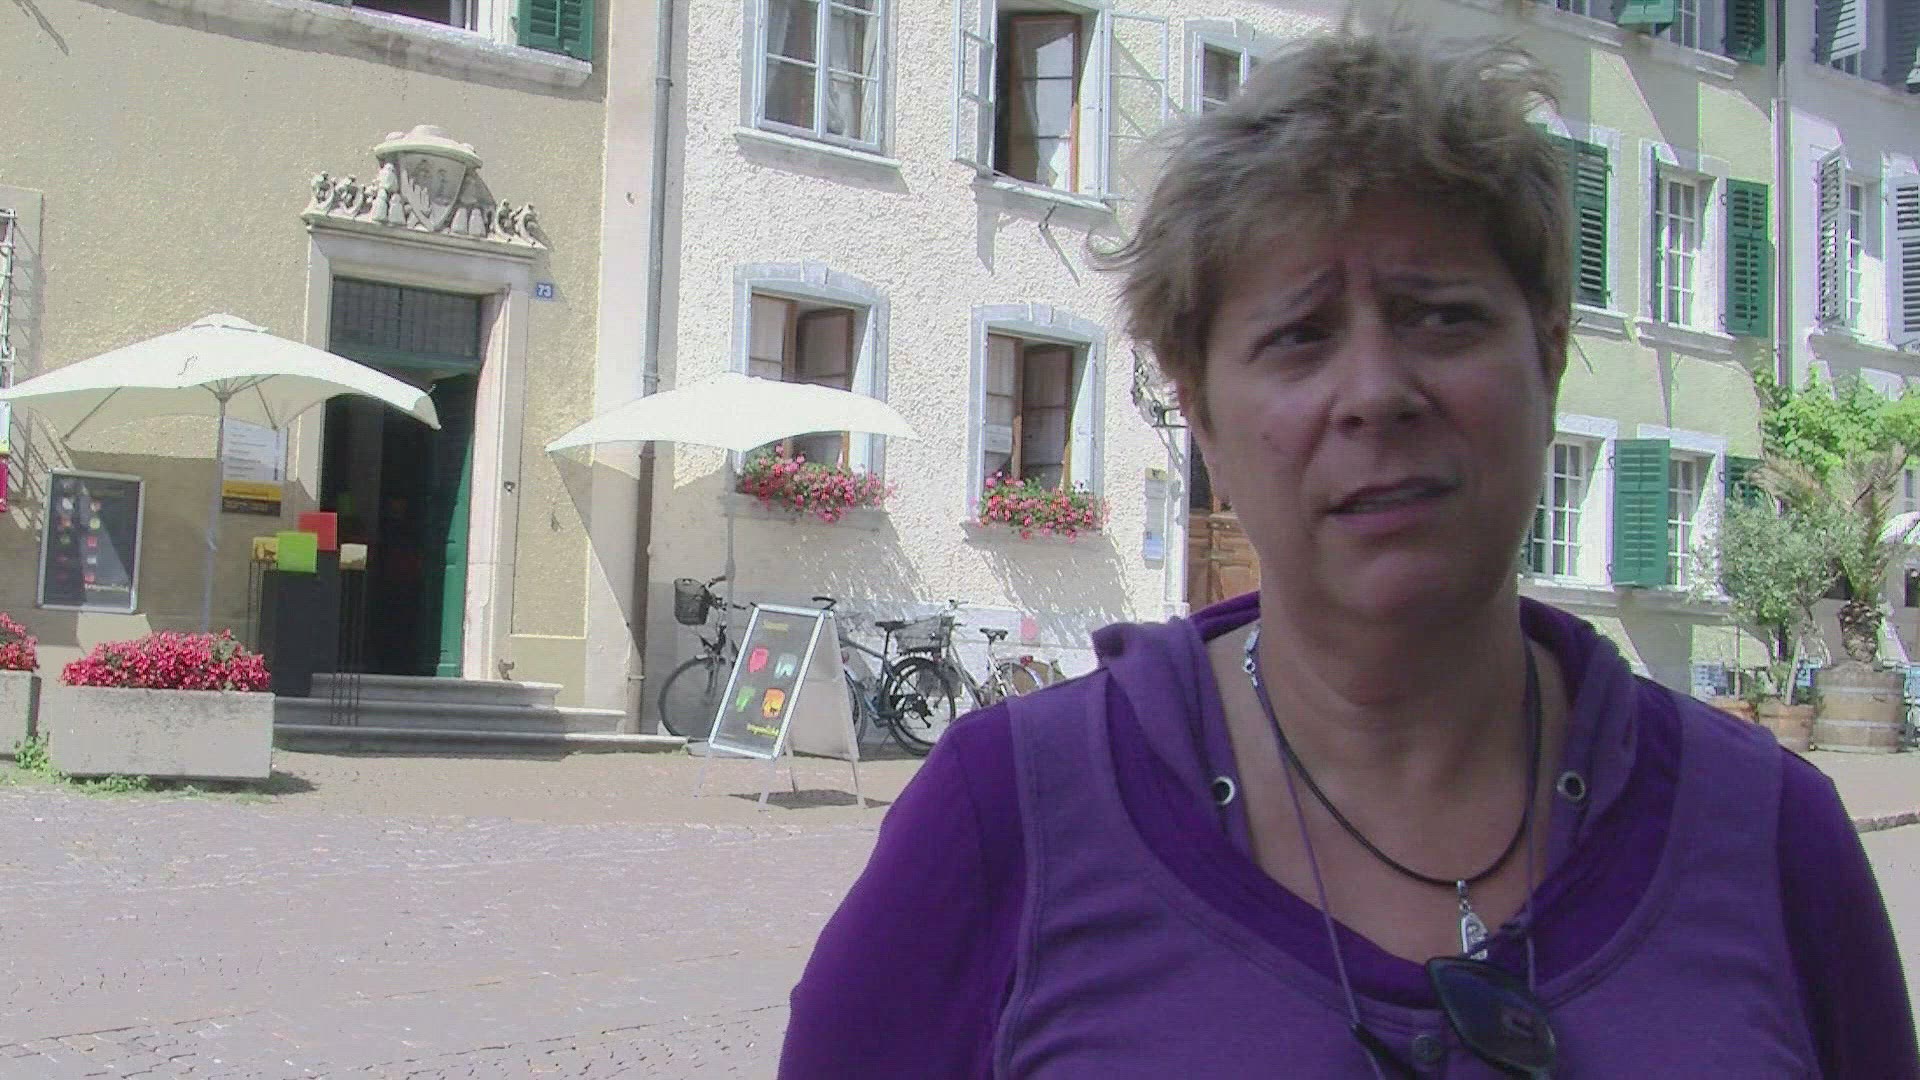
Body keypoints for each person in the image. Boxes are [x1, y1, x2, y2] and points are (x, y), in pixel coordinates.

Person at [780, 20, 1919, 1079]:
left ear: (1548, 356)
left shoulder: (1771, 838)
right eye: (1298, 335)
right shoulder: (1007, 822)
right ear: (1203, 415)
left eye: (1443, 315)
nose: (1376, 391)